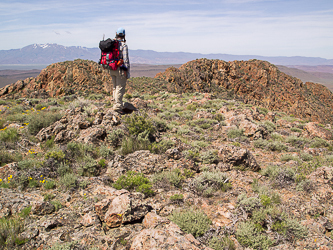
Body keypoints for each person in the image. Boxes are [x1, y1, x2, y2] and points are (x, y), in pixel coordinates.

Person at [108, 27, 130, 114]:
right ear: (124, 35)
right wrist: (127, 71)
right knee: (120, 88)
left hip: (111, 68)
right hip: (120, 69)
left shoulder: (112, 44)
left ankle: (115, 103)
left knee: (115, 87)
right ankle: (118, 106)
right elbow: (126, 60)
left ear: (116, 34)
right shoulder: (124, 45)